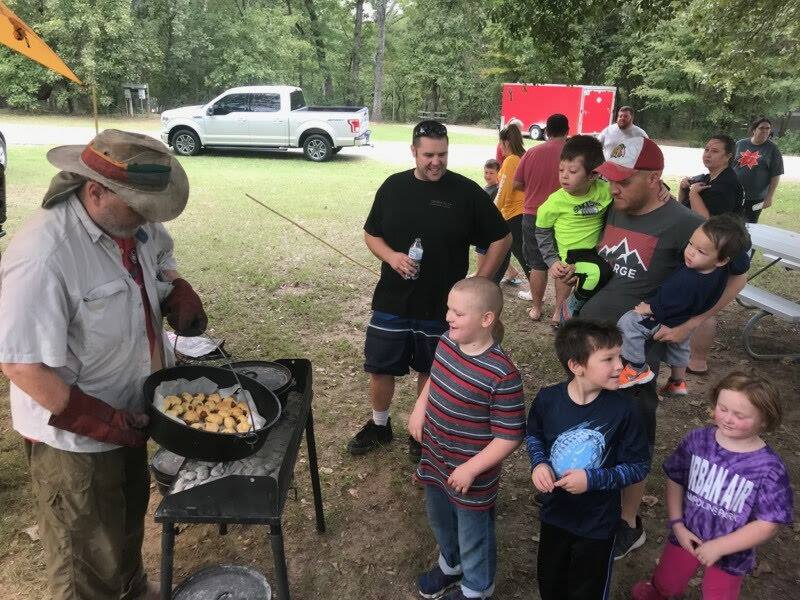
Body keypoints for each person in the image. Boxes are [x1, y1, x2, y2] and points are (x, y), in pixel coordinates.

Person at [0, 129, 207, 599]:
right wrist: (101, 420)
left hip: (132, 410)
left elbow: (161, 258)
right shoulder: (44, 255)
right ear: (95, 190)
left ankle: (131, 588)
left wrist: (176, 287)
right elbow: (20, 364)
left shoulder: (134, 222)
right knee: (84, 555)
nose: (148, 221)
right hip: (74, 438)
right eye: (140, 210)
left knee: (126, 520)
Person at [580, 136, 749, 560]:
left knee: (632, 433)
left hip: (636, 354)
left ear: (654, 178)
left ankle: (628, 522)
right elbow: (609, 268)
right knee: (593, 424)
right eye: (609, 180)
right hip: (590, 345)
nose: (613, 189)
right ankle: (596, 496)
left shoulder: (684, 223)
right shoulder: (613, 209)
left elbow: (737, 274)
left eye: (622, 181)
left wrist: (691, 323)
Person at [348, 120, 511, 459]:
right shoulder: (393, 187)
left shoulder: (466, 193)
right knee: (380, 366)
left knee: (431, 368)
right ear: (413, 153)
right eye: (428, 155)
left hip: (443, 305)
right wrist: (392, 256)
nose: (436, 161)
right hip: (392, 299)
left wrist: (478, 281)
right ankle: (380, 425)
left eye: (442, 154)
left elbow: (502, 238)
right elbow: (371, 233)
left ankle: (422, 431)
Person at [408, 277, 524, 600]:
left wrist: (472, 469)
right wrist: (420, 407)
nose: (448, 317)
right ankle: (451, 564)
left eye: (458, 313)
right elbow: (434, 376)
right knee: (440, 517)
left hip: (471, 472)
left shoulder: (502, 375)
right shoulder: (447, 342)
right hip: (435, 456)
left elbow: (509, 436)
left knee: (473, 531)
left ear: (486, 319)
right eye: (448, 309)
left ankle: (477, 587)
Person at [632, 371, 792, 600]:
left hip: (731, 553)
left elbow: (769, 522)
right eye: (723, 408)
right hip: (686, 534)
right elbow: (676, 478)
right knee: (666, 581)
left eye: (740, 415)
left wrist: (720, 547)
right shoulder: (697, 440)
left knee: (719, 595)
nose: (727, 418)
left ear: (765, 419)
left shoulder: (769, 469)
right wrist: (677, 524)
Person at [526, 320, 650, 600]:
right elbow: (534, 435)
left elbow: (639, 466)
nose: (620, 366)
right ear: (576, 366)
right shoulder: (548, 400)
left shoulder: (626, 409)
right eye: (608, 359)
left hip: (597, 524)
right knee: (551, 581)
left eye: (619, 356)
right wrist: (540, 464)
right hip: (554, 515)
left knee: (587, 590)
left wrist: (592, 479)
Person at [617, 215, 750, 395]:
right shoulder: (720, 269)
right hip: (688, 315)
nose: (690, 252)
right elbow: (742, 262)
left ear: (721, 260)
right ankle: (678, 382)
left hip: (666, 318)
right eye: (691, 244)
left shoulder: (687, 279)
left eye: (701, 252)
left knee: (628, 323)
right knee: (680, 344)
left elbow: (669, 303)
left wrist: (647, 308)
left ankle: (636, 368)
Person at [535, 135, 613, 324]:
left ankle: (566, 311)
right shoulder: (555, 201)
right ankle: (570, 307)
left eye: (572, 171)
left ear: (593, 175)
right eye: (561, 169)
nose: (564, 175)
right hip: (571, 255)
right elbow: (542, 231)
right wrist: (552, 260)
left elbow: (628, 185)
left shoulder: (605, 189)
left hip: (596, 251)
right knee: (598, 273)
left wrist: (661, 188)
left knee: (599, 274)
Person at [513, 113, 569, 320]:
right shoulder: (573, 153)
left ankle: (536, 309)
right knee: (562, 262)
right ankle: (558, 313)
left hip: (533, 214)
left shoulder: (532, 152)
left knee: (537, 263)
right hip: (566, 216)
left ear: (547, 131)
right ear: (567, 130)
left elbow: (517, 184)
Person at [492, 125, 530, 286]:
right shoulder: (524, 156)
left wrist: (491, 213)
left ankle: (536, 292)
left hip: (514, 214)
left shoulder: (510, 160)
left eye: (501, 143)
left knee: (522, 254)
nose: (500, 147)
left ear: (506, 142)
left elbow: (503, 192)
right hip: (520, 213)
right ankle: (492, 283)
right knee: (504, 251)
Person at [474, 159, 521, 285]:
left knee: (483, 251)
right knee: (495, 254)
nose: (487, 176)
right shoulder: (487, 188)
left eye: (491, 173)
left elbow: (494, 211)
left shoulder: (496, 190)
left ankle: (480, 275)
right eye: (486, 172)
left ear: (498, 174)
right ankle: (511, 271)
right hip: (485, 227)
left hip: (489, 229)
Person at [678, 134, 744, 218]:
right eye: (706, 150)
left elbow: (705, 222)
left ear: (728, 156)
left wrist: (693, 193)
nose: (707, 154)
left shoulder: (726, 186)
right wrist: (683, 188)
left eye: (714, 151)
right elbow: (682, 206)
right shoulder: (706, 178)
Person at [733, 117, 784, 223]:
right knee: (730, 222)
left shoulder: (773, 149)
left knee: (749, 226)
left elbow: (776, 175)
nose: (765, 131)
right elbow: (730, 165)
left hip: (755, 197)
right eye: (761, 128)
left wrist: (769, 197)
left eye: (768, 128)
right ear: (754, 130)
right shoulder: (740, 144)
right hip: (735, 192)